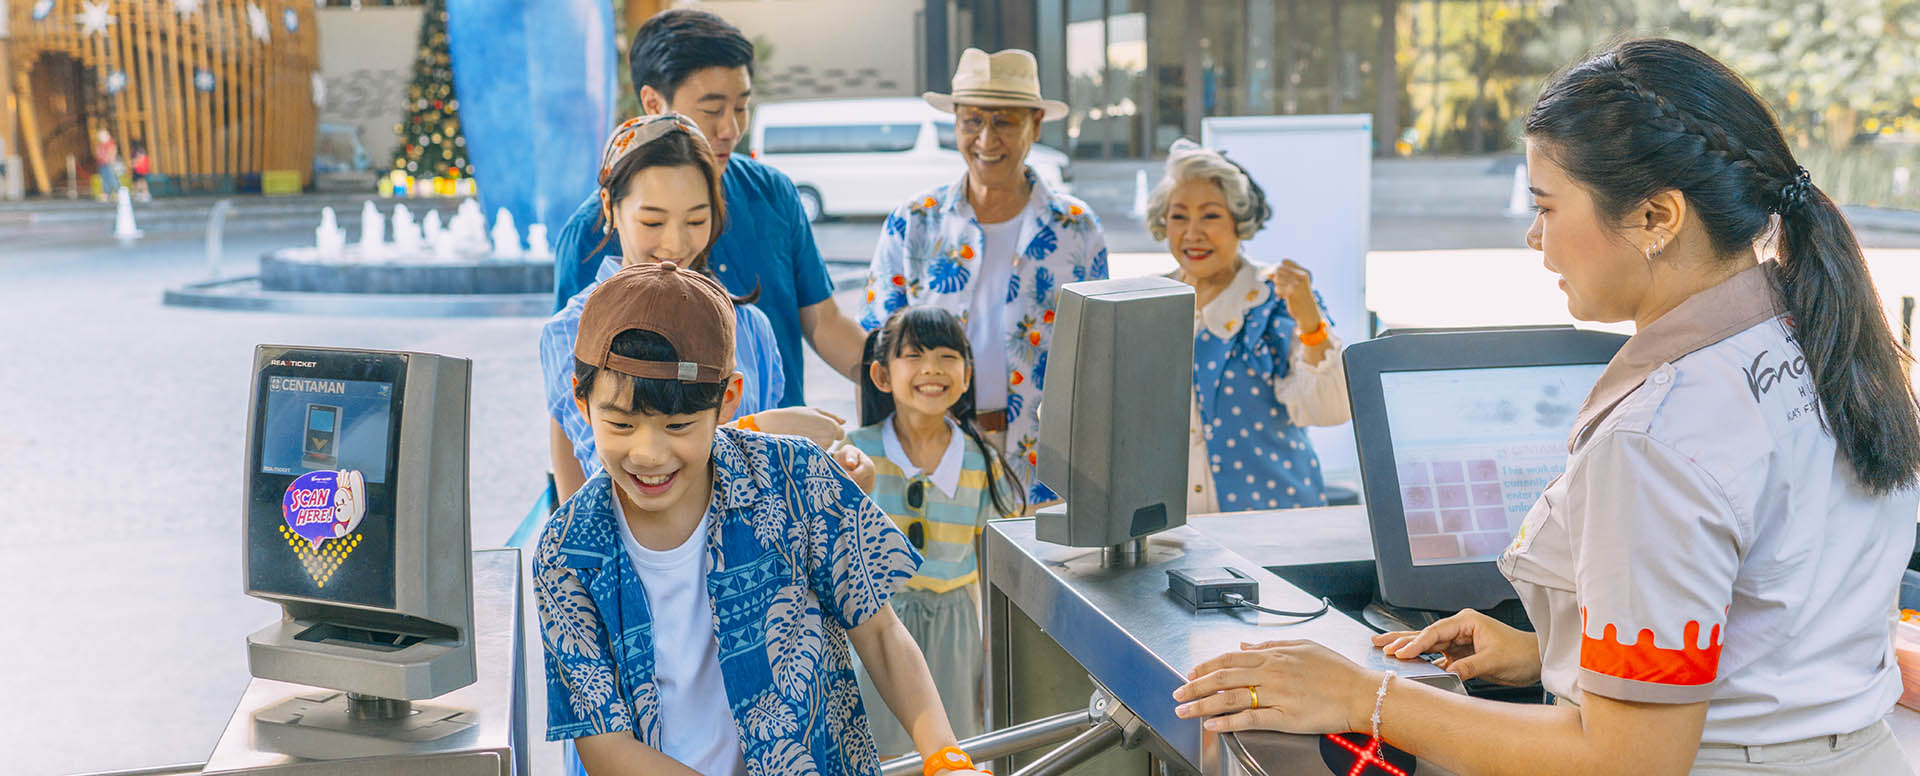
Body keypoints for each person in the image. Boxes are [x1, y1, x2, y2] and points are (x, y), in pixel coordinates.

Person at [1172, 38, 1920, 775]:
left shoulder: (1657, 436)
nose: (1535, 238)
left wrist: (1366, 696)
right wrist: (1550, 651)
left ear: (1658, 216)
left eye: (1548, 206)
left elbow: (1629, 760)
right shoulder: (1818, 345)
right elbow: (1775, 620)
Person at [535, 261, 991, 776]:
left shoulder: (797, 478)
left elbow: (882, 634)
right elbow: (603, 746)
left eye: (679, 425)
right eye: (620, 423)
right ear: (582, 399)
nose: (648, 453)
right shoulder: (566, 551)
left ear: (727, 400)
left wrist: (945, 755)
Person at [541, 114, 872, 504]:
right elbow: (619, 481)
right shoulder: (571, 331)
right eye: (652, 221)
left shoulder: (749, 326)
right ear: (609, 207)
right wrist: (759, 430)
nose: (675, 244)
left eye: (696, 219)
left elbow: (767, 492)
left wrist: (833, 469)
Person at [552, 9, 867, 406]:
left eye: (740, 107)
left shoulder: (773, 194)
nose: (731, 129)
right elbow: (574, 390)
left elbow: (824, 322)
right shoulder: (589, 231)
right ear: (652, 103)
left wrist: (893, 372)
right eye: (712, 110)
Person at [861, 48, 1108, 505]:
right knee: (942, 579)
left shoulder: (1077, 229)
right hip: (928, 454)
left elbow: (1098, 361)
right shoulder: (914, 222)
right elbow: (879, 341)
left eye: (1005, 122)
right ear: (955, 123)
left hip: (1043, 461)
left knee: (1035, 577)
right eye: (972, 120)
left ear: (1036, 124)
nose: (986, 139)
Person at [848, 306, 1025, 756]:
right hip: (875, 630)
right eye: (913, 355)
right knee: (874, 753)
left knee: (951, 750)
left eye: (947, 355)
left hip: (956, 633)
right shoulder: (853, 455)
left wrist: (994, 658)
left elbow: (995, 573)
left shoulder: (980, 461)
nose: (931, 368)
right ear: (882, 375)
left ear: (967, 375)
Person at [1146, 140, 1349, 513]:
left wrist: (1310, 320)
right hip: (1178, 538)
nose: (1192, 233)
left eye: (1210, 216)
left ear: (1240, 223)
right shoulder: (1145, 303)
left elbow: (1329, 409)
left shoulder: (1274, 298)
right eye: (1178, 217)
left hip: (1274, 531)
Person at [93, 130, 121, 201]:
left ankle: (117, 193)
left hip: (109, 164)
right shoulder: (100, 144)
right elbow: (98, 153)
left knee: (112, 178)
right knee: (105, 179)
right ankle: (106, 194)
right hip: (102, 164)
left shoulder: (110, 143)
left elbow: (112, 153)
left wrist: (108, 158)